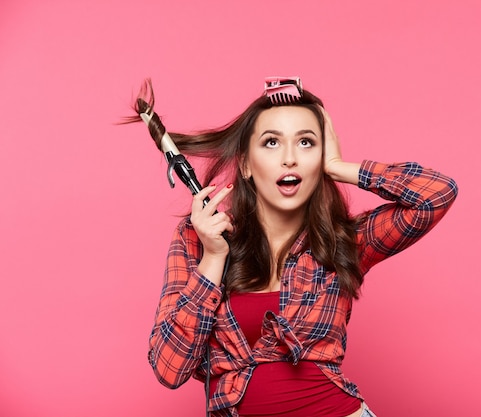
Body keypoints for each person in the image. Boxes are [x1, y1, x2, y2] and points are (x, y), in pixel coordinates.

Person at [144, 78, 458, 417]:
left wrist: (339, 168)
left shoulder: (345, 242)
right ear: (246, 164)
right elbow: (168, 368)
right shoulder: (198, 238)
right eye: (271, 143)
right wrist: (213, 259)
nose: (290, 158)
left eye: (306, 143)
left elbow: (436, 195)